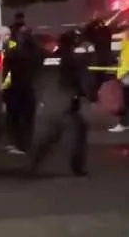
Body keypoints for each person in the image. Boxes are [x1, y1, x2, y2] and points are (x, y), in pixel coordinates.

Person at [31, 29, 89, 176]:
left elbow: (40, 79)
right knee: (79, 132)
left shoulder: (49, 59)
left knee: (51, 135)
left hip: (49, 103)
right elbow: (80, 82)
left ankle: (35, 163)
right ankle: (77, 167)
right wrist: (84, 94)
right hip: (66, 105)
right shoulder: (74, 60)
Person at [1, 25, 43, 153]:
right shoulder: (36, 51)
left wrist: (3, 90)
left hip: (16, 89)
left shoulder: (14, 52)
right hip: (29, 89)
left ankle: (21, 145)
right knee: (28, 119)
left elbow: (7, 73)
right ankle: (27, 144)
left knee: (16, 118)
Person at [109, 27, 129, 133]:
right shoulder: (125, 43)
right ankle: (124, 123)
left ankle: (124, 123)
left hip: (127, 76)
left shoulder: (127, 44)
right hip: (125, 75)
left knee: (126, 102)